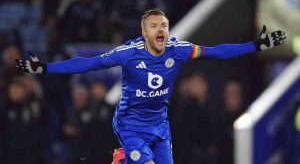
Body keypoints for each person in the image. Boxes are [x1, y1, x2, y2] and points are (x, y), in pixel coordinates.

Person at [15, 9, 286, 164]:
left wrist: (257, 44)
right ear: (144, 32)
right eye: (154, 26)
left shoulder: (179, 50)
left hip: (160, 126)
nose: (161, 30)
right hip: (130, 124)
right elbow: (89, 63)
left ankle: (122, 160)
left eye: (164, 26)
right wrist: (46, 68)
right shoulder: (129, 53)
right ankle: (124, 156)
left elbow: (218, 52)